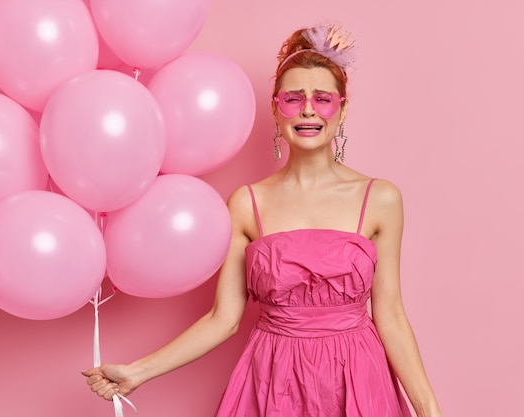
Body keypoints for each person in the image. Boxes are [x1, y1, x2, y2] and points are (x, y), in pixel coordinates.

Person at [82, 23, 443, 417]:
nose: (308, 109)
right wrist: (137, 372)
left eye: (322, 98)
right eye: (294, 98)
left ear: (342, 109)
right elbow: (223, 319)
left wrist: (429, 410)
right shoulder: (247, 203)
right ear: (276, 108)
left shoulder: (380, 199)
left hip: (357, 378)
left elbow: (390, 315)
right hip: (274, 382)